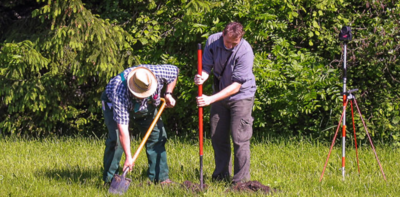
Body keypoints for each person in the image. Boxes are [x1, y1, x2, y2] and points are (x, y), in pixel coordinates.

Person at [194, 22, 256, 184]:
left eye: (233, 44)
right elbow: (206, 67)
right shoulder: (212, 41)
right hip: (220, 94)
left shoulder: (245, 51)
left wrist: (210, 99)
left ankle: (240, 182)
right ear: (223, 34)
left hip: (241, 96)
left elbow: (236, 86)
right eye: (227, 42)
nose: (229, 46)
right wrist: (202, 76)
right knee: (218, 137)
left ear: (240, 38)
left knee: (239, 138)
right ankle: (221, 177)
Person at [101, 64, 179, 186]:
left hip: (146, 106)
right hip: (113, 105)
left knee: (157, 135)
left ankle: (160, 178)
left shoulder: (157, 73)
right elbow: (123, 130)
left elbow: (175, 72)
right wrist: (128, 156)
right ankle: (110, 180)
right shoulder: (119, 91)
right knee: (117, 140)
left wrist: (168, 93)